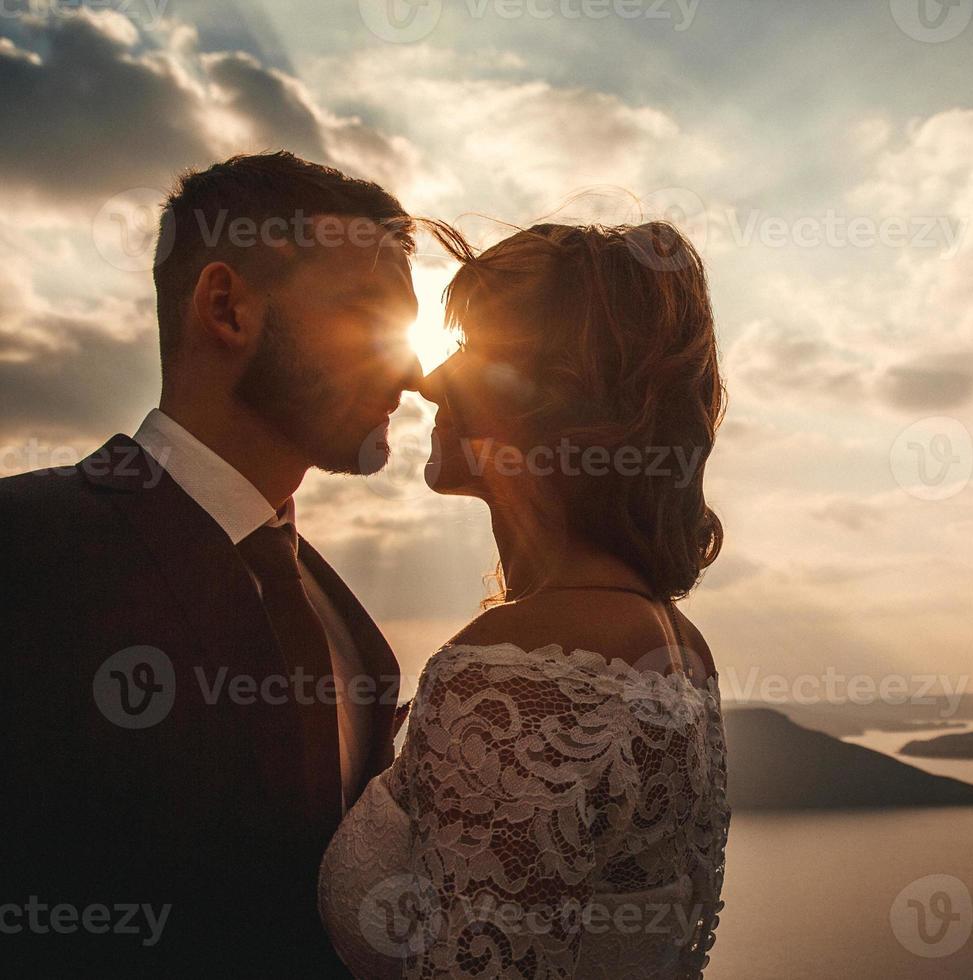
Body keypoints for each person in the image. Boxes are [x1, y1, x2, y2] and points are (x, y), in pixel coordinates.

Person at [0, 151, 421, 977]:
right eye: (369, 319)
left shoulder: (358, 639)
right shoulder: (22, 551)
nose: (412, 371)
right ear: (226, 308)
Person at [318, 220, 731, 978]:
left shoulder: (512, 669)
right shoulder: (677, 642)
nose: (432, 381)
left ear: (554, 401)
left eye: (471, 352)